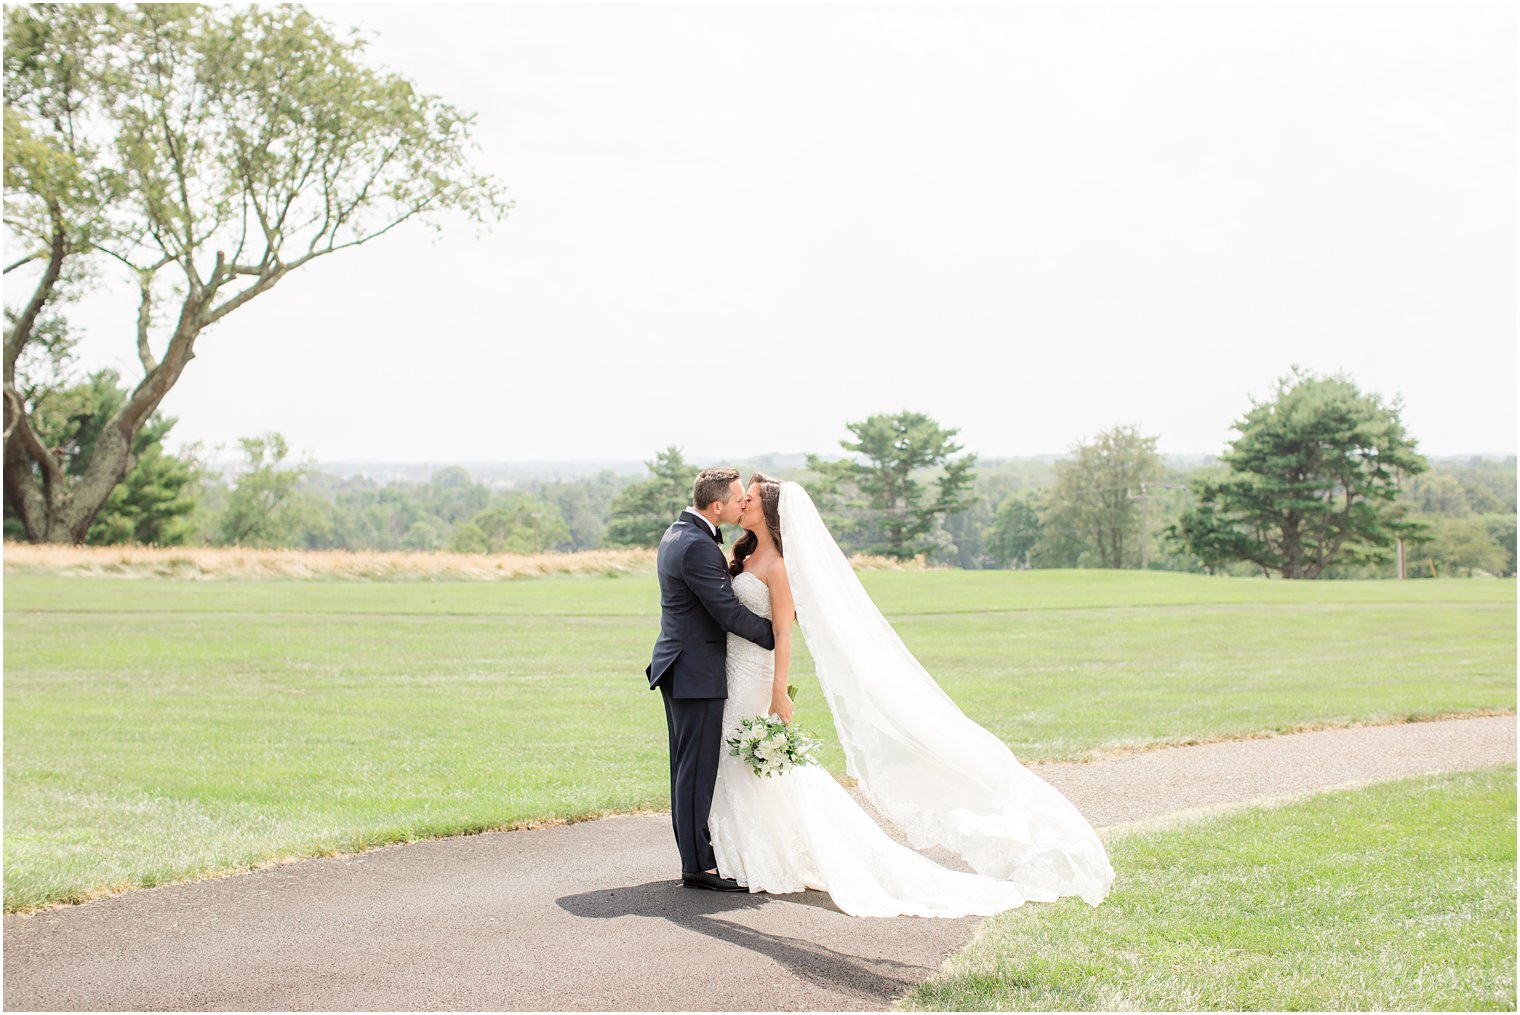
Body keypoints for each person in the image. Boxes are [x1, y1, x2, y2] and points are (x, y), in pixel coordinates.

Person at [706, 473, 1116, 917]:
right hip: (734, 670)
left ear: (769, 511)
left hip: (758, 674)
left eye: (747, 500)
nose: (740, 505)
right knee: (740, 759)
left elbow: (784, 633)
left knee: (751, 757)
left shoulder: (778, 567)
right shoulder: (745, 556)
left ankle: (768, 855)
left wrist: (779, 692)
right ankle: (751, 849)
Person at [646, 466, 776, 891]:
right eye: (738, 498)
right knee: (695, 772)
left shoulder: (679, 533)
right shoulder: (698, 546)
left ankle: (696, 856)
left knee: (688, 770)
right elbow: (727, 612)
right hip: (694, 672)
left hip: (680, 666)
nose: (743, 503)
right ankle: (698, 867)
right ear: (717, 505)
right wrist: (774, 633)